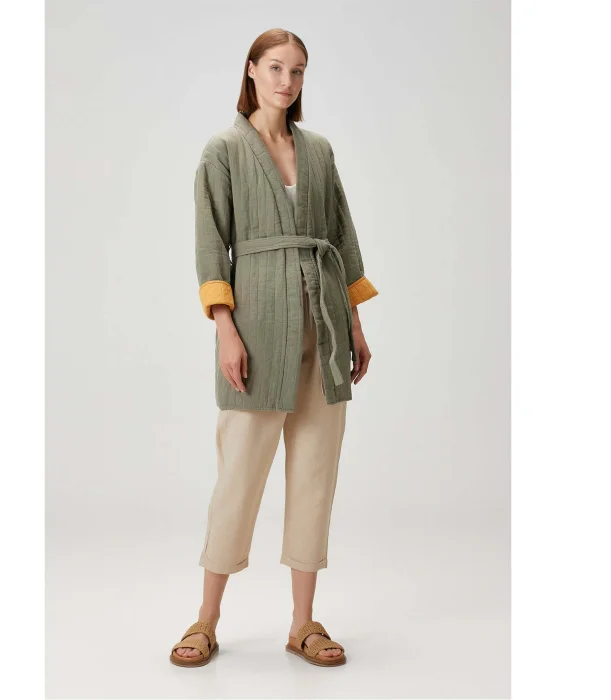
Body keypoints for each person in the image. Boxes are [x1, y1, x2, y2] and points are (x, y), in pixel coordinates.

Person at [170, 28, 378, 668]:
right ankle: (206, 620)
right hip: (257, 330)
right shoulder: (224, 150)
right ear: (252, 70)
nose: (288, 81)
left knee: (314, 475)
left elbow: (341, 235)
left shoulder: (318, 151)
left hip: (324, 327)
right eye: (277, 68)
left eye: (299, 70)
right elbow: (211, 245)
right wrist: (226, 330)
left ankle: (302, 622)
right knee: (238, 478)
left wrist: (354, 324)